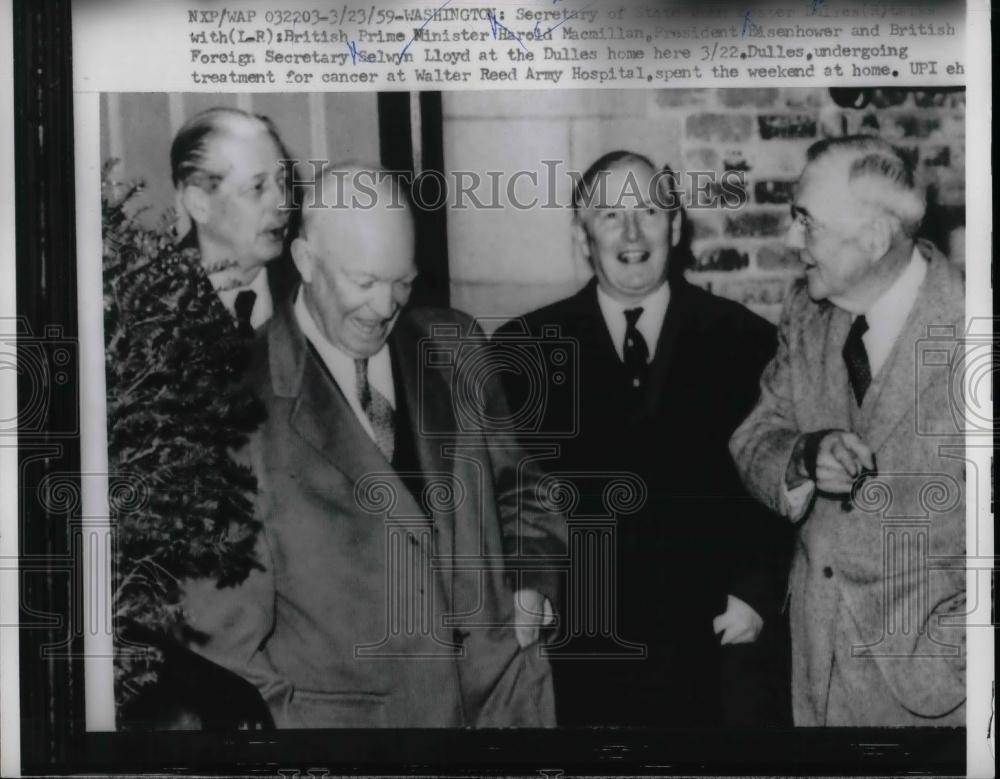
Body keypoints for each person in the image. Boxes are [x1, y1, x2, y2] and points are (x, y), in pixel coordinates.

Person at [179, 164, 566, 728]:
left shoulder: (457, 345)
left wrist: (533, 583)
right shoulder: (234, 402)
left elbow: (524, 490)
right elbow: (221, 644)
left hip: (504, 715)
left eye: (402, 281)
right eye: (363, 282)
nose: (385, 306)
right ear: (305, 261)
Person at [493, 151, 791, 728]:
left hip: (714, 652)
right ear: (581, 236)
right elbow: (505, 494)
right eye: (610, 215)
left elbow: (775, 472)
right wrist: (528, 587)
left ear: (674, 228)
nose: (632, 233)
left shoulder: (747, 341)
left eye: (649, 212)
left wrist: (758, 590)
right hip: (577, 659)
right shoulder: (522, 351)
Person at [729, 135, 966, 726]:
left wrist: (965, 654)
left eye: (806, 222)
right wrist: (804, 455)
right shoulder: (806, 312)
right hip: (814, 680)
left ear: (875, 237)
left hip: (941, 700)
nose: (791, 240)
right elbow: (754, 438)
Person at [170, 106, 297, 333]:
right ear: (199, 204)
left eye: (282, 181)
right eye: (257, 187)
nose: (283, 202)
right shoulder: (156, 307)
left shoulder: (309, 287)